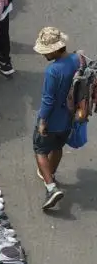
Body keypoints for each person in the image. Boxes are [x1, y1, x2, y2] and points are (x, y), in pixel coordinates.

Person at [33, 27, 80, 210]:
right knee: (58, 146)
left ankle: (51, 188)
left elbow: (48, 99)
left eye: (46, 51)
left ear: (54, 49)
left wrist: (43, 121)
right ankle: (50, 174)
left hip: (52, 118)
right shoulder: (77, 60)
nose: (44, 55)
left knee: (40, 149)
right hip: (69, 118)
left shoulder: (53, 70)